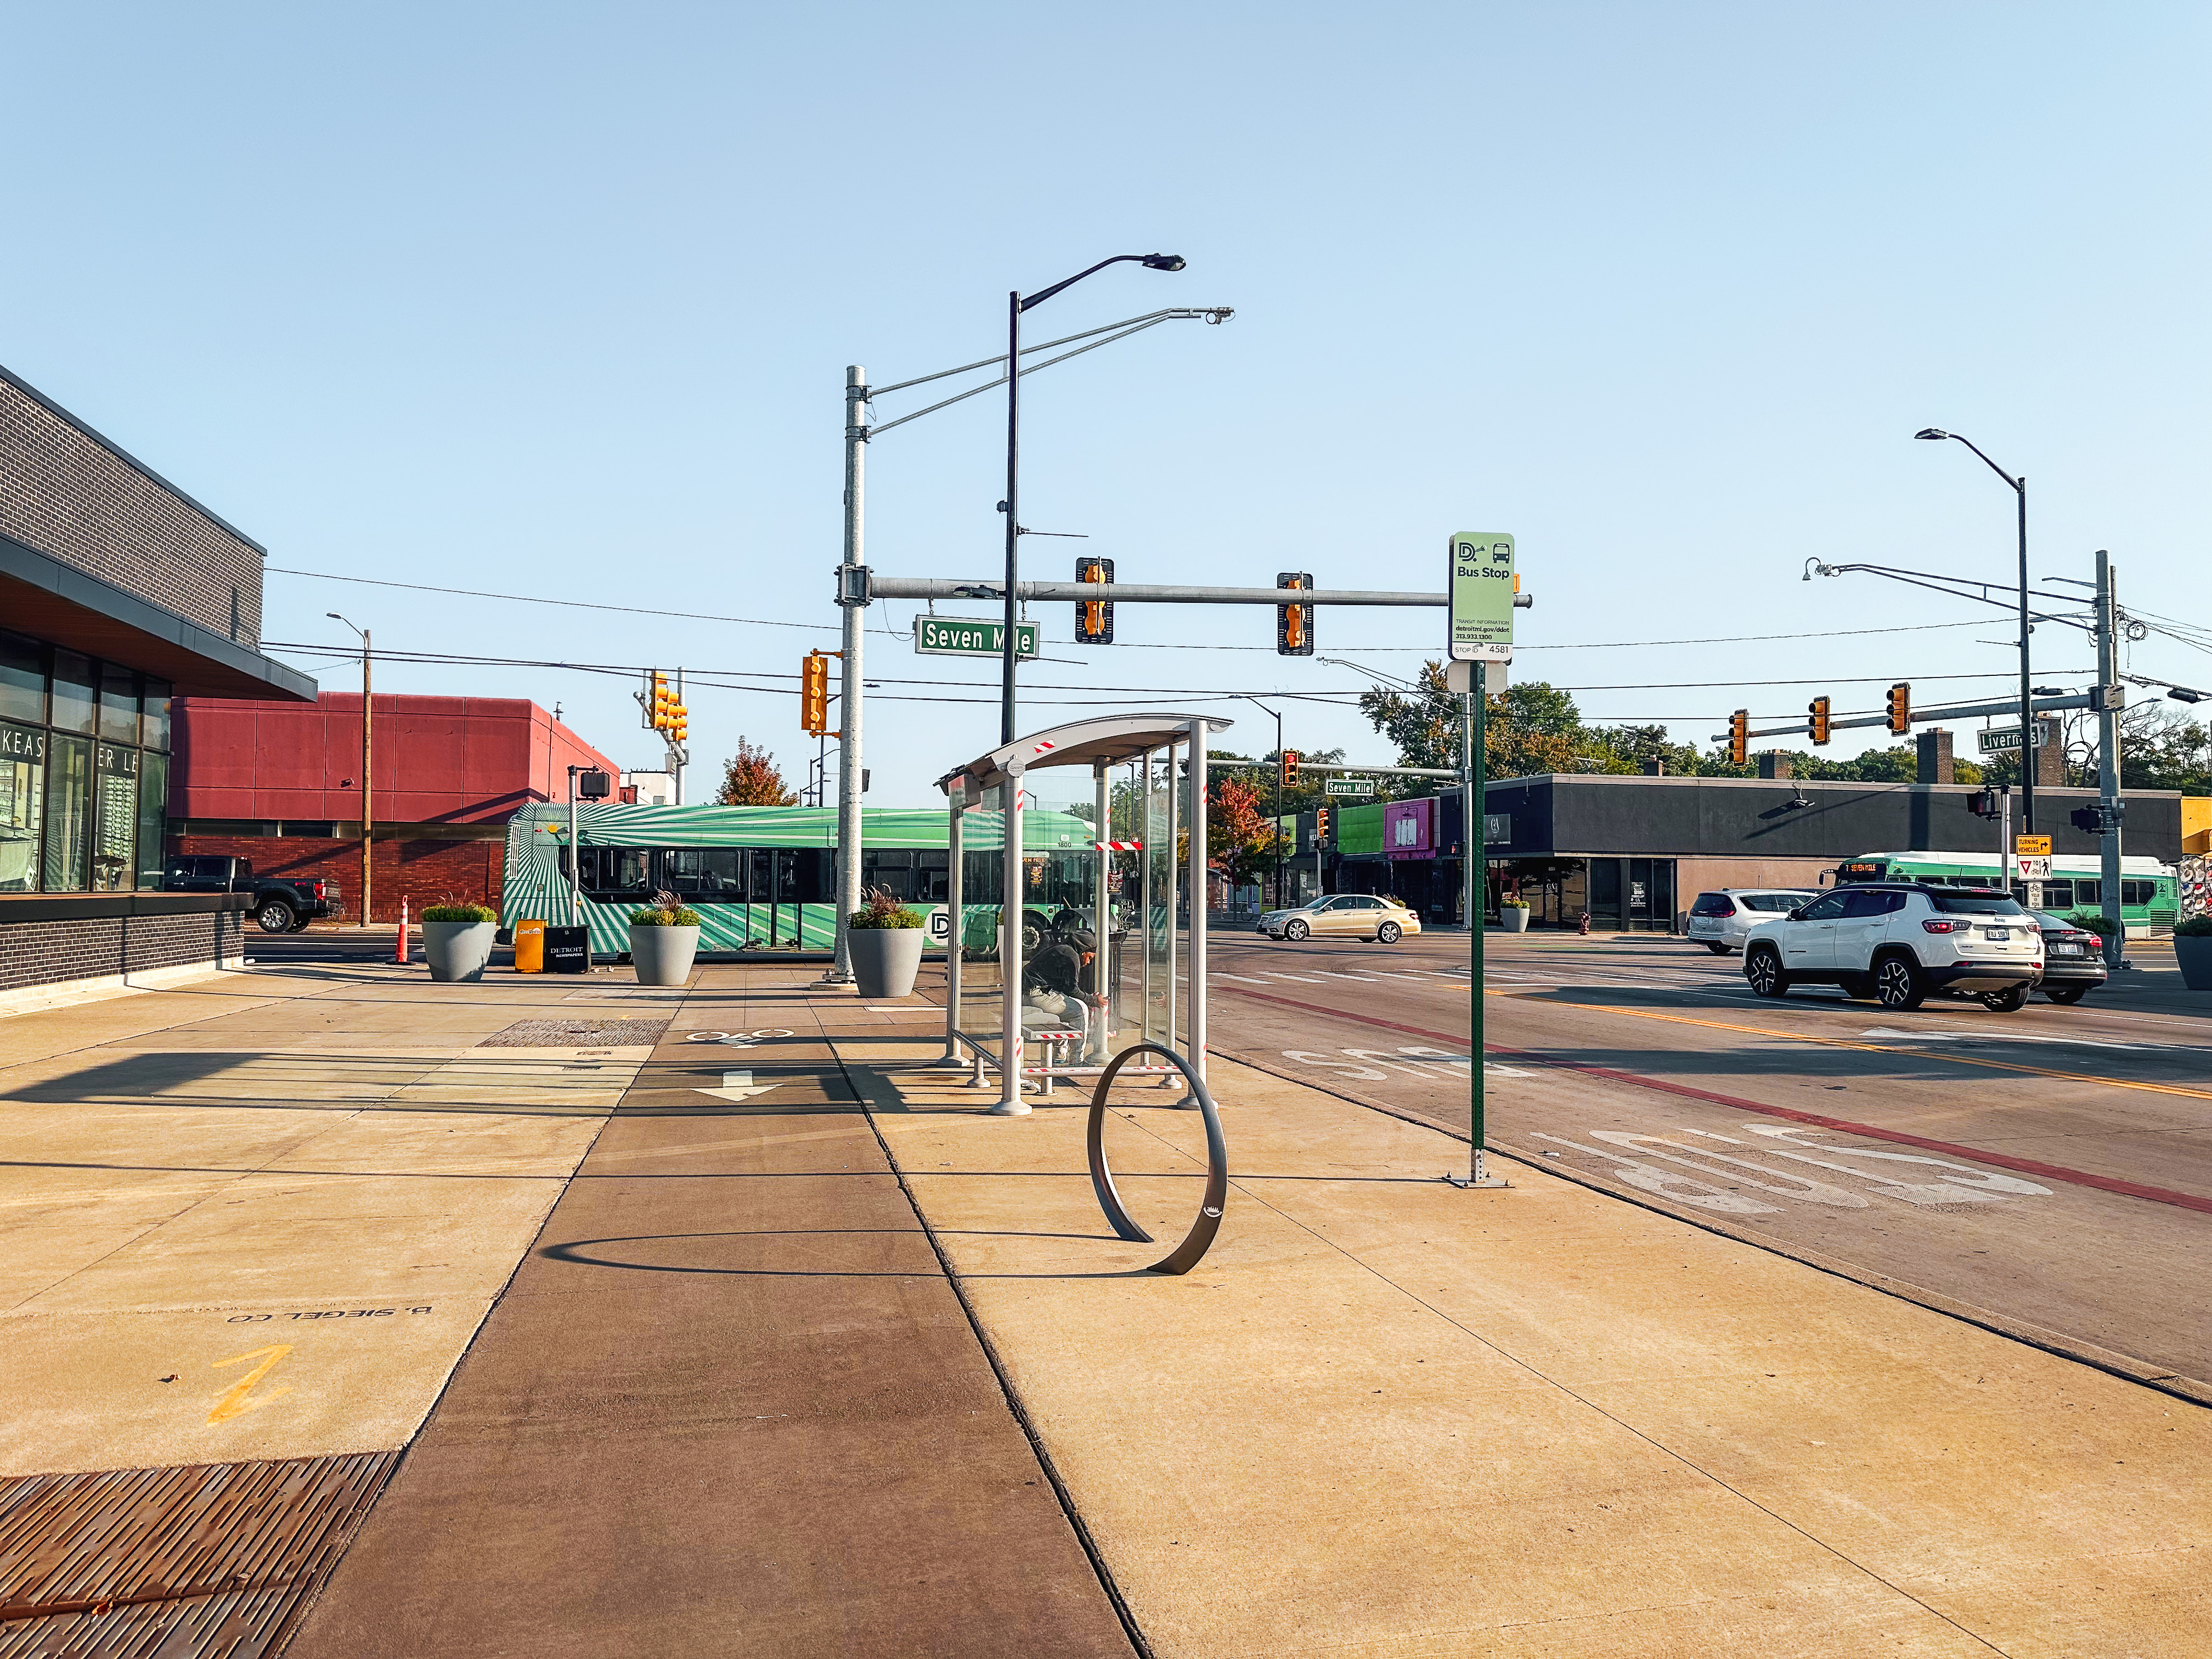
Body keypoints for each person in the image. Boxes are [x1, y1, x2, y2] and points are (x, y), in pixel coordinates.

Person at [1024, 928, 1108, 1056]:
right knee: (1080, 1011)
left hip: (1025, 994)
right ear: (1083, 952)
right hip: (1036, 995)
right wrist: (1092, 1000)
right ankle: (1076, 1058)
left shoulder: (1061, 949)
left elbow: (1064, 988)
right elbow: (1072, 990)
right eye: (1090, 957)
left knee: (1067, 1007)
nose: (1089, 962)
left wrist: (1088, 997)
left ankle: (1060, 1055)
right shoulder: (1072, 956)